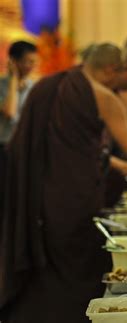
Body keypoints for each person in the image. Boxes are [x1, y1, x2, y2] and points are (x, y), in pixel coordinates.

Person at [0, 43, 127, 323]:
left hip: (41, 198)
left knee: (48, 271)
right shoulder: (104, 97)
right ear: (111, 69)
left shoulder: (46, 87)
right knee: (77, 270)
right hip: (77, 200)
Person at [0, 41, 37, 205]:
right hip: (5, 148)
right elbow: (10, 111)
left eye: (34, 61)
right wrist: (14, 78)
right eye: (28, 61)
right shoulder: (2, 85)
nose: (32, 66)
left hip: (27, 148)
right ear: (14, 61)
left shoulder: (35, 87)